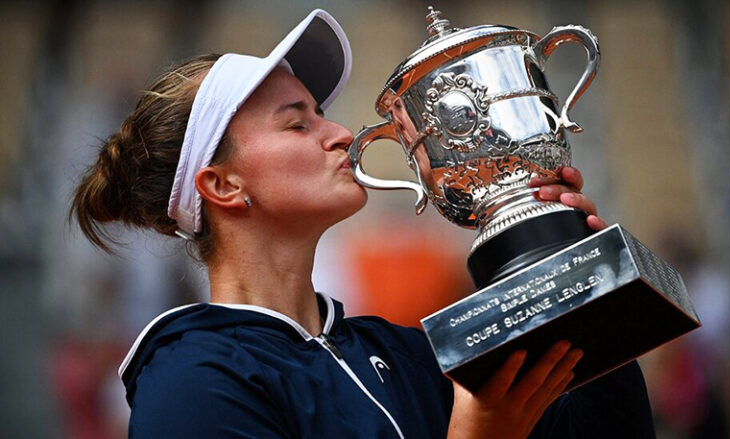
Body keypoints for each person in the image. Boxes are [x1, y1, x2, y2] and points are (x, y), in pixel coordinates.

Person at [70, 9, 655, 439]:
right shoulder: (192, 378)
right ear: (223, 185)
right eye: (297, 124)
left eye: (320, 113)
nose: (342, 135)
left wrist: (575, 283)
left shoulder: (402, 350)